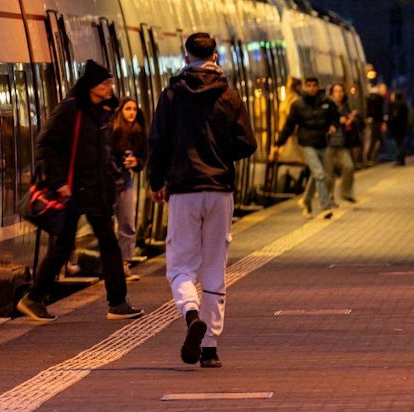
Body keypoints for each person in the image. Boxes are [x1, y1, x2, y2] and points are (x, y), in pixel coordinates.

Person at [147, 31, 257, 370]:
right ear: (215, 57)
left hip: (183, 189)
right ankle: (210, 348)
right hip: (220, 190)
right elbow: (247, 144)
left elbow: (158, 141)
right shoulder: (230, 96)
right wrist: (221, 154)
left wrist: (156, 181)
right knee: (214, 267)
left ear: (185, 56)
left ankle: (191, 313)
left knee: (180, 265)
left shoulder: (171, 96)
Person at [18, 61, 141, 322]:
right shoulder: (70, 110)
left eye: (110, 83)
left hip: (95, 190)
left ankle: (35, 298)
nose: (110, 88)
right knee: (88, 246)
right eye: (105, 83)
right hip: (74, 191)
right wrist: (59, 181)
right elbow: (46, 144)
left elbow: (100, 152)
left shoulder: (101, 111)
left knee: (95, 244)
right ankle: (115, 302)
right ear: (92, 86)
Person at [275, 77, 336, 219]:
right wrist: (279, 142)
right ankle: (325, 206)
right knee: (320, 173)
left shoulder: (327, 103)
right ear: (304, 87)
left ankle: (306, 201)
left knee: (316, 175)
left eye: (314, 85)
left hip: (322, 142)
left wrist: (334, 126)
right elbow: (289, 125)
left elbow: (335, 117)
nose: (311, 88)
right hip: (306, 143)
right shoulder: (297, 105)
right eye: (308, 86)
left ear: (318, 86)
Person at [110, 97, 149, 272]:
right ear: (120, 111)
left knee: (127, 222)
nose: (132, 112)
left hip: (125, 180)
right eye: (128, 109)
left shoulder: (138, 132)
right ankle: (110, 265)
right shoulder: (112, 130)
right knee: (107, 224)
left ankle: (124, 264)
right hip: (109, 181)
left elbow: (143, 157)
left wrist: (136, 162)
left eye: (134, 109)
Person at [326, 83, 359, 205]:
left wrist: (350, 119)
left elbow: (347, 122)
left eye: (341, 91)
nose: (339, 94)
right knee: (329, 174)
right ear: (331, 93)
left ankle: (347, 193)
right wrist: (337, 121)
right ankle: (328, 199)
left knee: (349, 166)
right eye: (336, 91)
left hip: (341, 143)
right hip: (328, 144)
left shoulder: (345, 106)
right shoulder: (327, 105)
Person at [386, 91, 413, 165]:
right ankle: (401, 159)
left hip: (397, 128)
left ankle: (399, 159)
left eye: (392, 95)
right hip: (403, 127)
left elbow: (395, 116)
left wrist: (388, 121)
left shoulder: (397, 105)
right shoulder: (404, 104)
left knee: (398, 144)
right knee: (401, 143)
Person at [363, 83, 386, 165]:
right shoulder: (376, 98)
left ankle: (371, 157)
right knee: (374, 139)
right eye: (383, 89)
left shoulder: (375, 97)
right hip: (375, 121)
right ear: (378, 89)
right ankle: (370, 157)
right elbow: (378, 112)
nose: (385, 91)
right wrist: (382, 122)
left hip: (376, 121)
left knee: (377, 139)